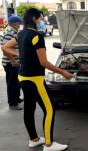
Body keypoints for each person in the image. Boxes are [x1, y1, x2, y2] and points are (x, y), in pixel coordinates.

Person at [2, 8, 73, 151]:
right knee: (50, 109)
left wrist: (21, 55)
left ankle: (34, 139)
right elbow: (44, 63)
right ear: (34, 18)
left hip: (23, 77)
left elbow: (5, 47)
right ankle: (49, 144)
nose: (41, 22)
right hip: (36, 79)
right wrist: (63, 72)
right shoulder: (37, 36)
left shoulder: (21, 34)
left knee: (29, 108)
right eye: (41, 19)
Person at [1, 15, 23, 110]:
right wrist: (13, 60)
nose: (20, 25)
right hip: (10, 63)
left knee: (16, 82)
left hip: (14, 62)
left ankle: (16, 98)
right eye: (19, 23)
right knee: (12, 83)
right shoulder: (10, 33)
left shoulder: (13, 32)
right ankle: (12, 103)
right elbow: (5, 48)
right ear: (14, 24)